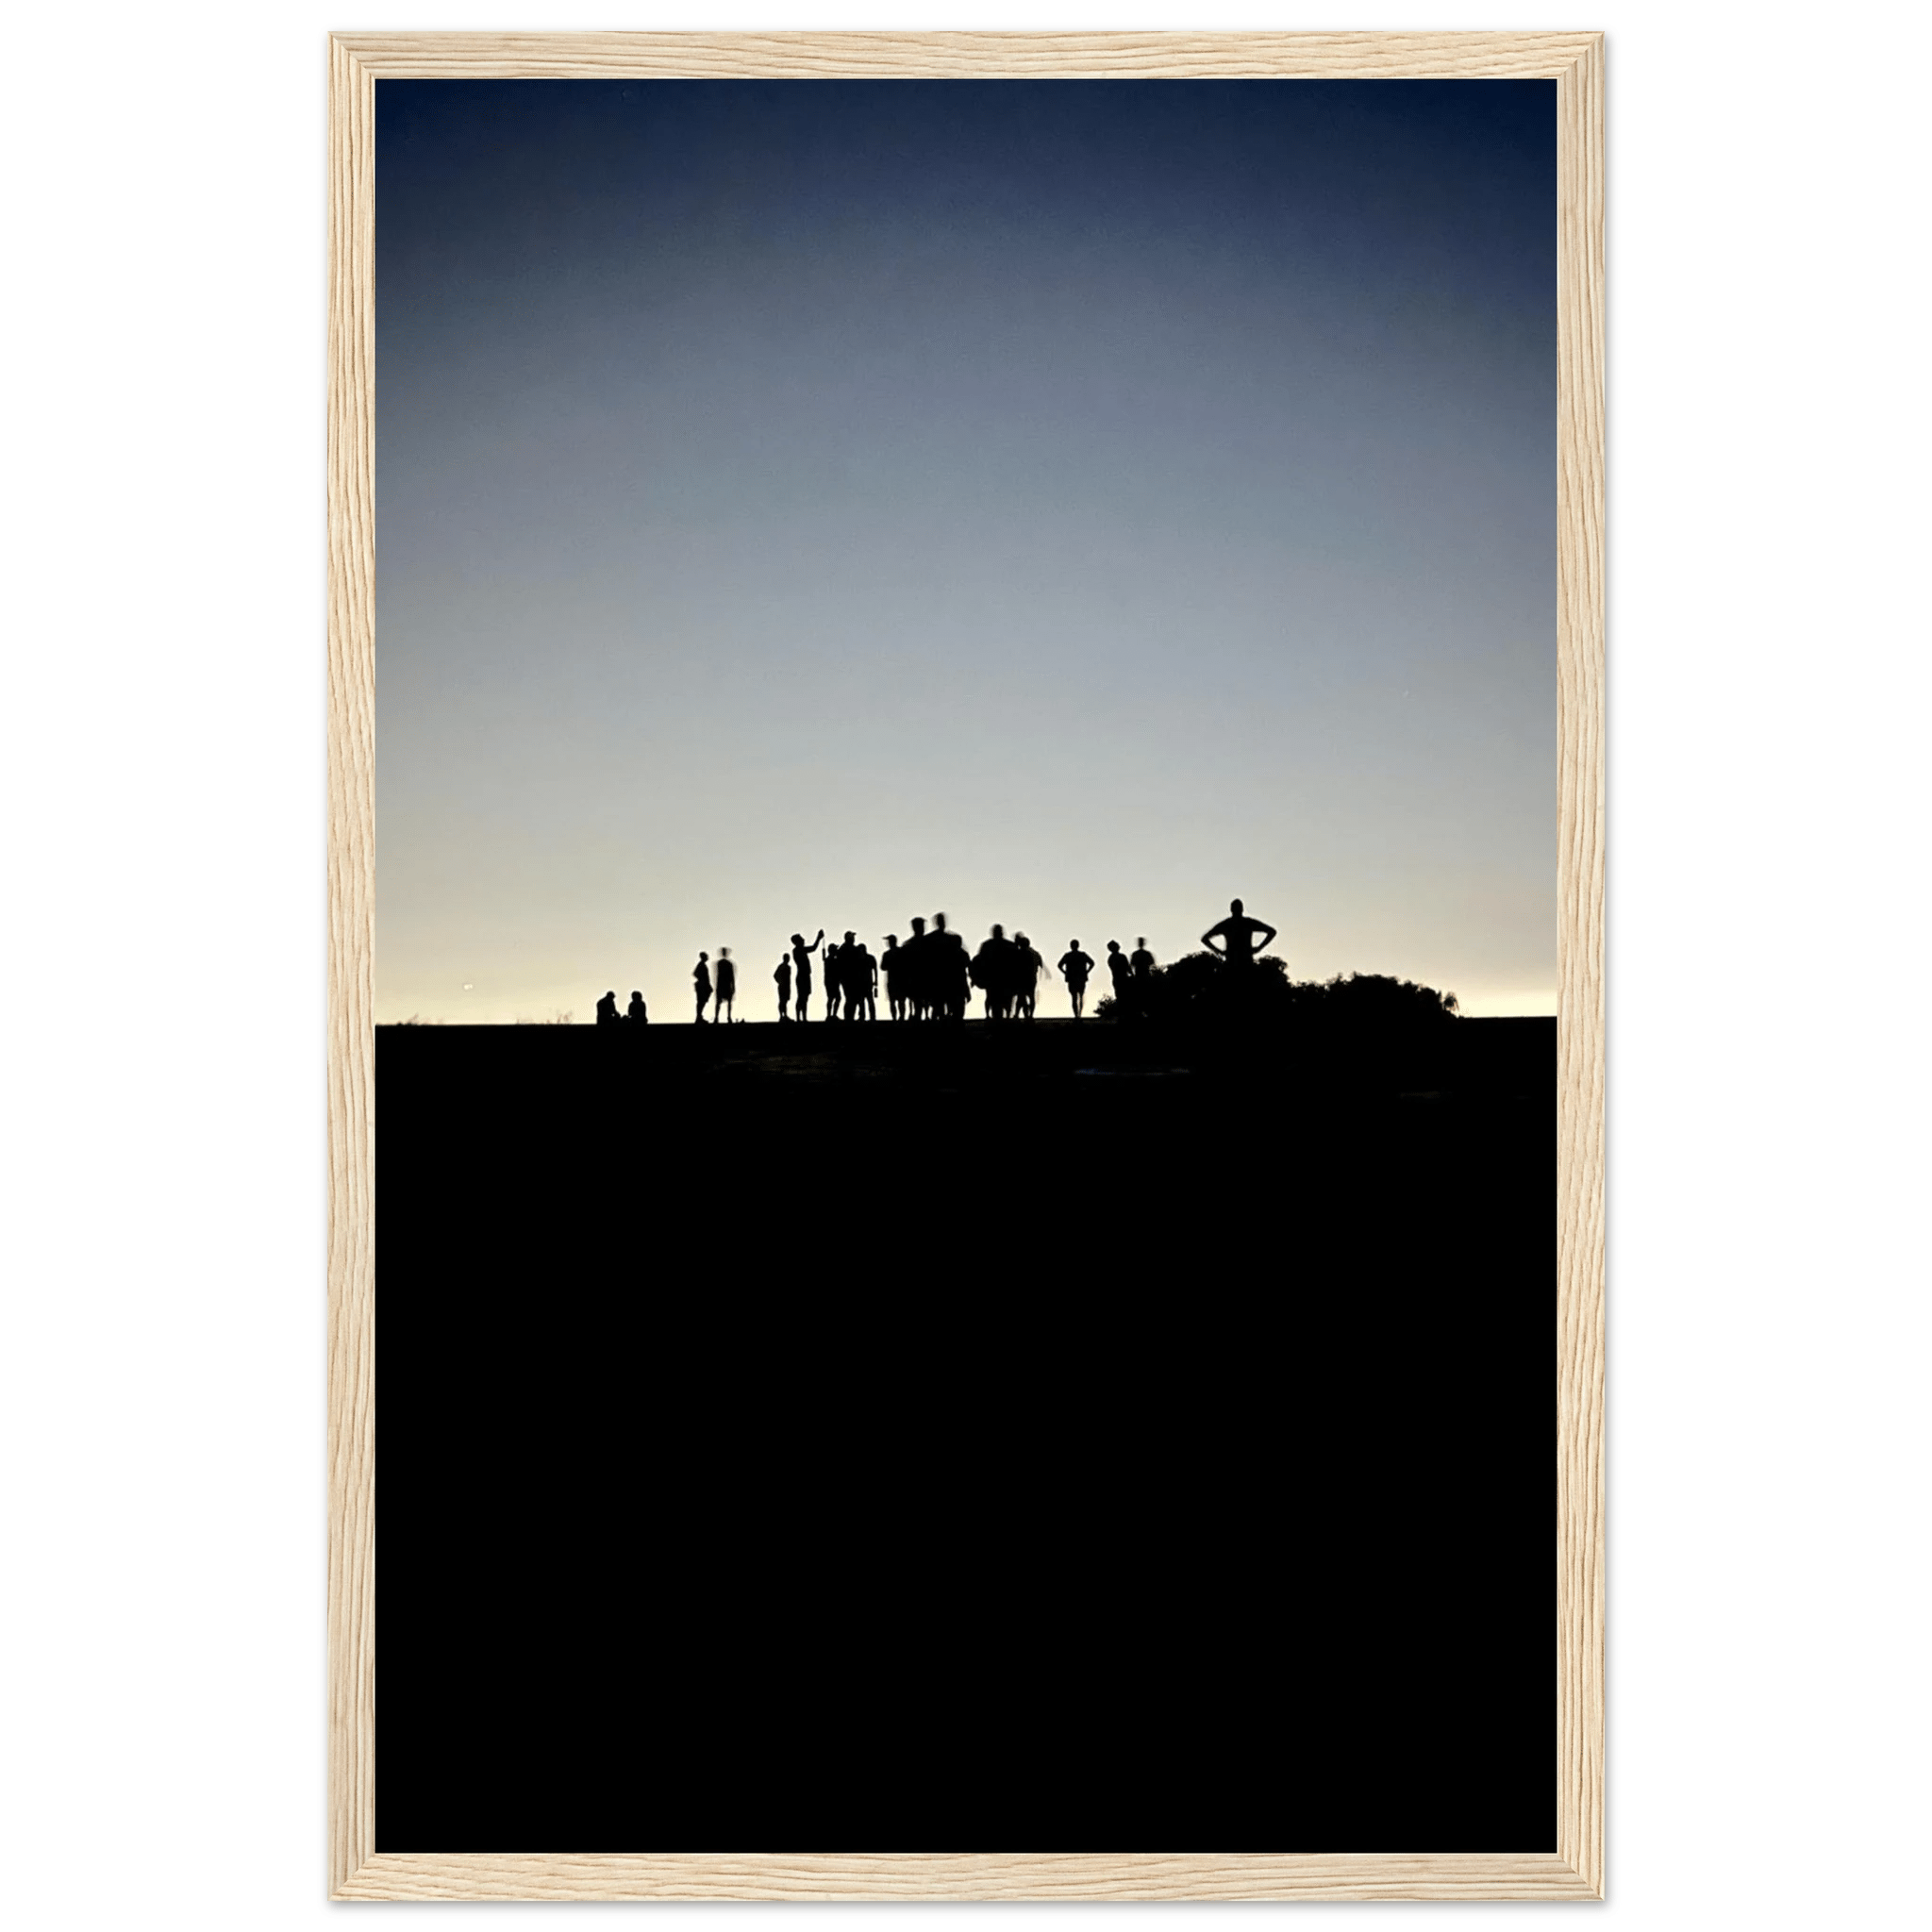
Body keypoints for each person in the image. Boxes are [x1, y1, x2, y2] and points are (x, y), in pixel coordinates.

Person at [1201, 897, 1278, 965]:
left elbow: (1205, 939)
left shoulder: (1227, 924)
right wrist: (1259, 948)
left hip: (1237, 962)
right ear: (1242, 909)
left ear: (1231, 909)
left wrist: (1220, 952)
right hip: (1240, 962)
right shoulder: (1247, 923)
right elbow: (1272, 932)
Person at [972, 924, 1020, 1021]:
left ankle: (997, 1021)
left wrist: (976, 978)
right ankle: (1006, 1019)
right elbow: (1018, 963)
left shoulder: (986, 945)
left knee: (994, 1002)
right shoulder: (1010, 945)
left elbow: (978, 961)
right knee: (1007, 1001)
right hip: (1006, 979)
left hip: (992, 979)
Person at [931, 913, 970, 1021]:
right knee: (953, 1010)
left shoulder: (931, 939)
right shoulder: (951, 941)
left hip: (943, 981)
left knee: (942, 1009)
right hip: (949, 982)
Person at [790, 930, 824, 1023]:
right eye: (801, 939)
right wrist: (818, 938)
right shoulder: (797, 950)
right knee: (802, 997)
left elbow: (813, 948)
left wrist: (818, 938)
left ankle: (803, 1017)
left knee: (805, 997)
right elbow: (813, 948)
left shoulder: (800, 950)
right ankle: (799, 1018)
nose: (803, 939)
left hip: (805, 976)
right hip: (802, 976)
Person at [1058, 940, 1095, 1019]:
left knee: (1074, 997)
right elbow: (1092, 963)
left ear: (1071, 946)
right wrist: (1087, 971)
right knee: (1081, 996)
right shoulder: (1082, 955)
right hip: (1081, 978)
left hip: (1071, 978)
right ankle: (1079, 1014)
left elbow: (1059, 965)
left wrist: (1065, 972)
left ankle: (1076, 1015)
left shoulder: (1067, 955)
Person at [1013, 934, 1045, 1021]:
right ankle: (1030, 1015)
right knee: (1031, 997)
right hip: (1032, 978)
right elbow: (1041, 965)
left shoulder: (1019, 953)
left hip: (1021, 978)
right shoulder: (1035, 953)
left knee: (1021, 997)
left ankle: (1018, 1014)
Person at [880, 934, 906, 1022]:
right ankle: (901, 1018)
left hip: (892, 981)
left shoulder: (887, 954)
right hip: (901, 980)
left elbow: (882, 967)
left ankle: (895, 1019)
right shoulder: (901, 952)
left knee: (893, 1001)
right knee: (900, 1001)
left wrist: (890, 965)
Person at [1105, 941, 1134, 1009]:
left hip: (1116, 979)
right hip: (1123, 979)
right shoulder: (1121, 956)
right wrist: (1132, 975)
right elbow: (1128, 968)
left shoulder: (1110, 958)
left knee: (1119, 997)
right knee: (1127, 996)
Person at [712, 948, 736, 1024]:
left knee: (721, 1002)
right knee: (725, 1002)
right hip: (725, 984)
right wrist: (733, 986)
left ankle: (718, 1018)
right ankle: (726, 1017)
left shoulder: (720, 963)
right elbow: (731, 976)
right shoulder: (728, 964)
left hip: (722, 984)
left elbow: (718, 975)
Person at [691, 952, 712, 1023]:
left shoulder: (702, 965)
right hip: (702, 986)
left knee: (702, 1001)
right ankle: (699, 1017)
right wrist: (702, 980)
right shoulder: (701, 965)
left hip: (704, 985)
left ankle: (699, 1016)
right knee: (701, 1001)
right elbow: (695, 974)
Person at [774, 953, 792, 1022]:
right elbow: (775, 975)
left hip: (786, 986)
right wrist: (780, 981)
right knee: (782, 1001)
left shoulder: (788, 967)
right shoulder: (782, 967)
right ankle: (782, 1016)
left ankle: (784, 1015)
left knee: (784, 1001)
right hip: (783, 986)